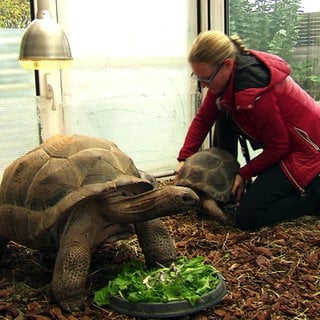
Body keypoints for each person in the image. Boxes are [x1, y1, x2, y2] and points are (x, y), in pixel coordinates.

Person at [176, 30, 320, 231]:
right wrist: (184, 158)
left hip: (308, 152)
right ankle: (226, 185)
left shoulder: (255, 92)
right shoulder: (225, 80)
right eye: (197, 77)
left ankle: (314, 198)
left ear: (227, 64)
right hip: (287, 144)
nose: (203, 85)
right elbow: (204, 118)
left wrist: (245, 173)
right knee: (223, 109)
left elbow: (279, 146)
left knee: (248, 216)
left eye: (206, 78)